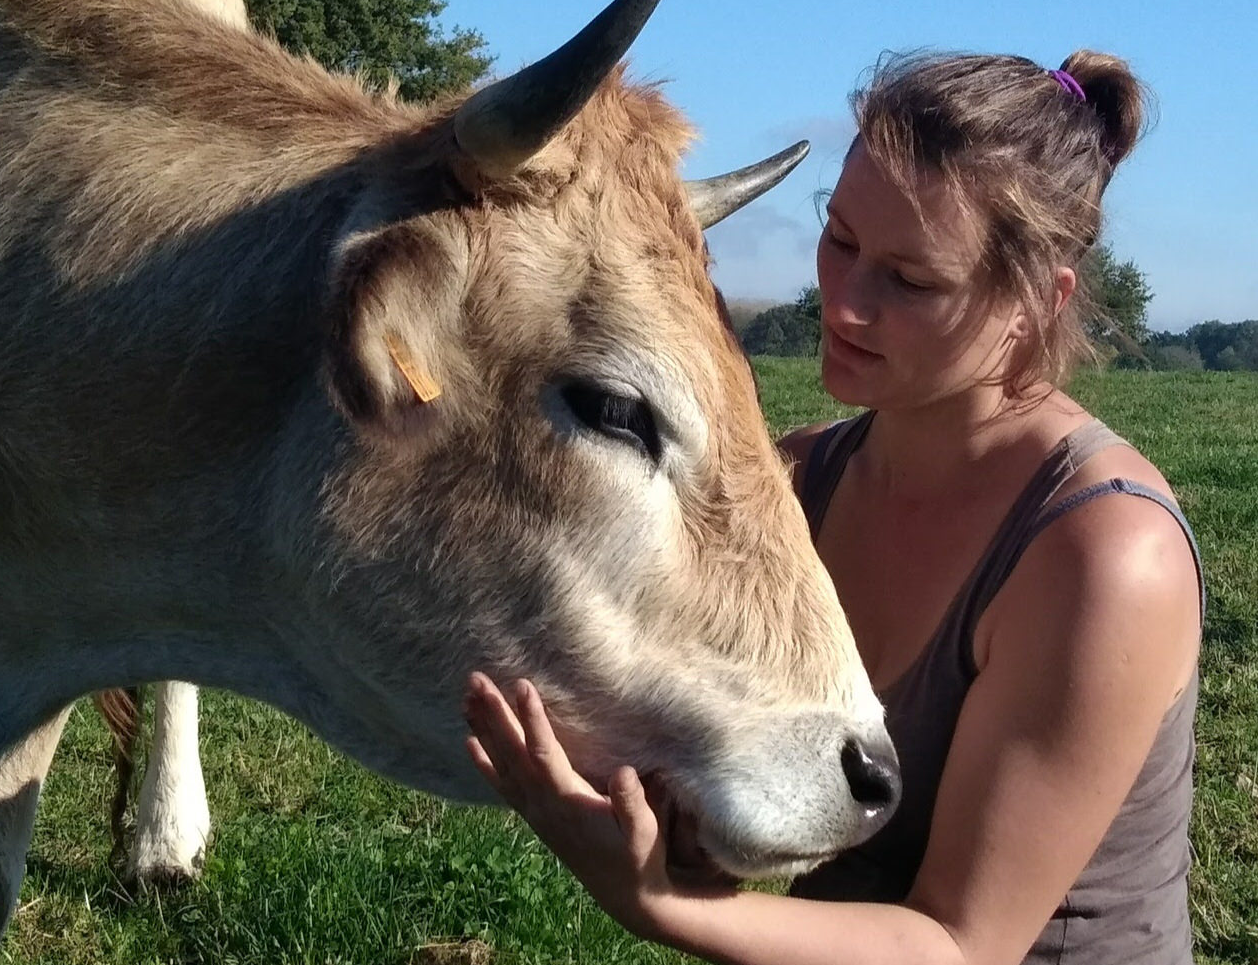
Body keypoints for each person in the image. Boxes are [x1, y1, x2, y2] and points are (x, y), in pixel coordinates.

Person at [462, 49, 1203, 965]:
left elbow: (961, 943)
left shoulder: (1106, 555)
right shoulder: (800, 477)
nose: (844, 302)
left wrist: (654, 897)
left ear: (1032, 302)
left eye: (911, 279)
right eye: (841, 238)